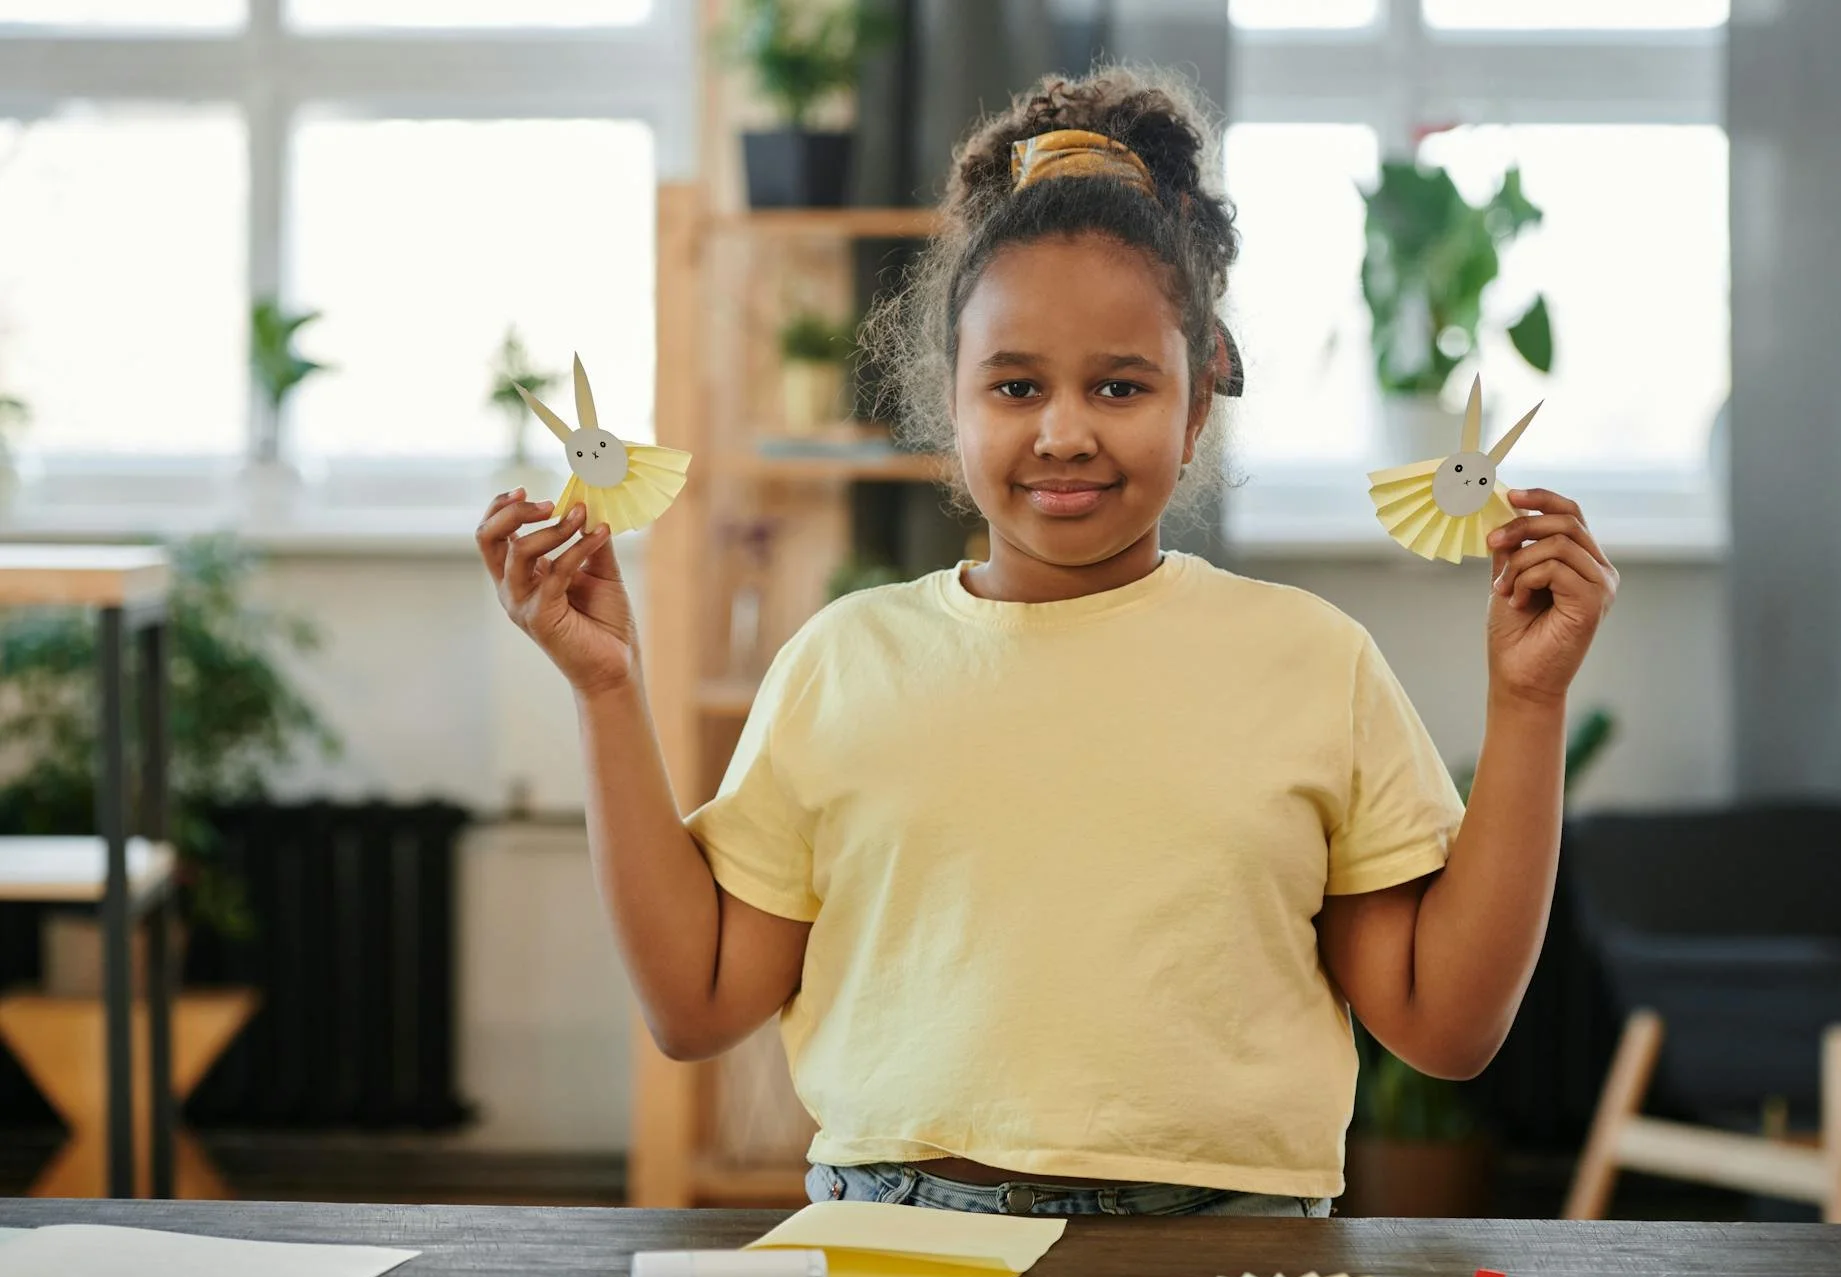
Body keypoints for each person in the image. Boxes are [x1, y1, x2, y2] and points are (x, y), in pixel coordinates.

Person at [475, 67, 1619, 1218]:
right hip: (895, 1228)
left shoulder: (1315, 659)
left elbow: (1447, 1023)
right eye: (1016, 384)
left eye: (1120, 386)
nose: (1064, 431)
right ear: (952, 404)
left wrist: (1528, 705)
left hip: (1222, 1238)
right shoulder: (842, 659)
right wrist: (605, 686)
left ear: (1194, 408)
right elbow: (697, 1001)